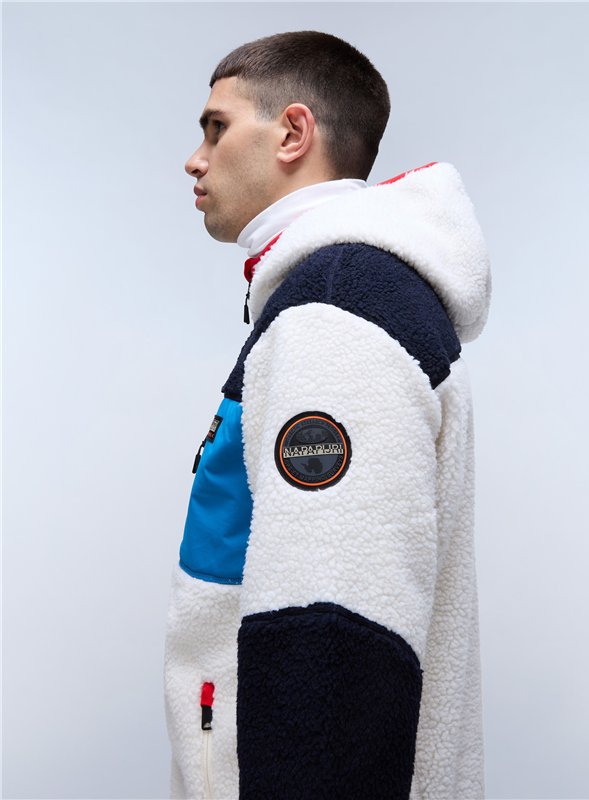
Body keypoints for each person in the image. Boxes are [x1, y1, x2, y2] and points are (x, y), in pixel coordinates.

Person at [163, 29, 492, 800]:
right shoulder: (343, 295)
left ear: (293, 133)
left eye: (216, 128)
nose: (194, 158)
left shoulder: (337, 310)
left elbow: (332, 636)